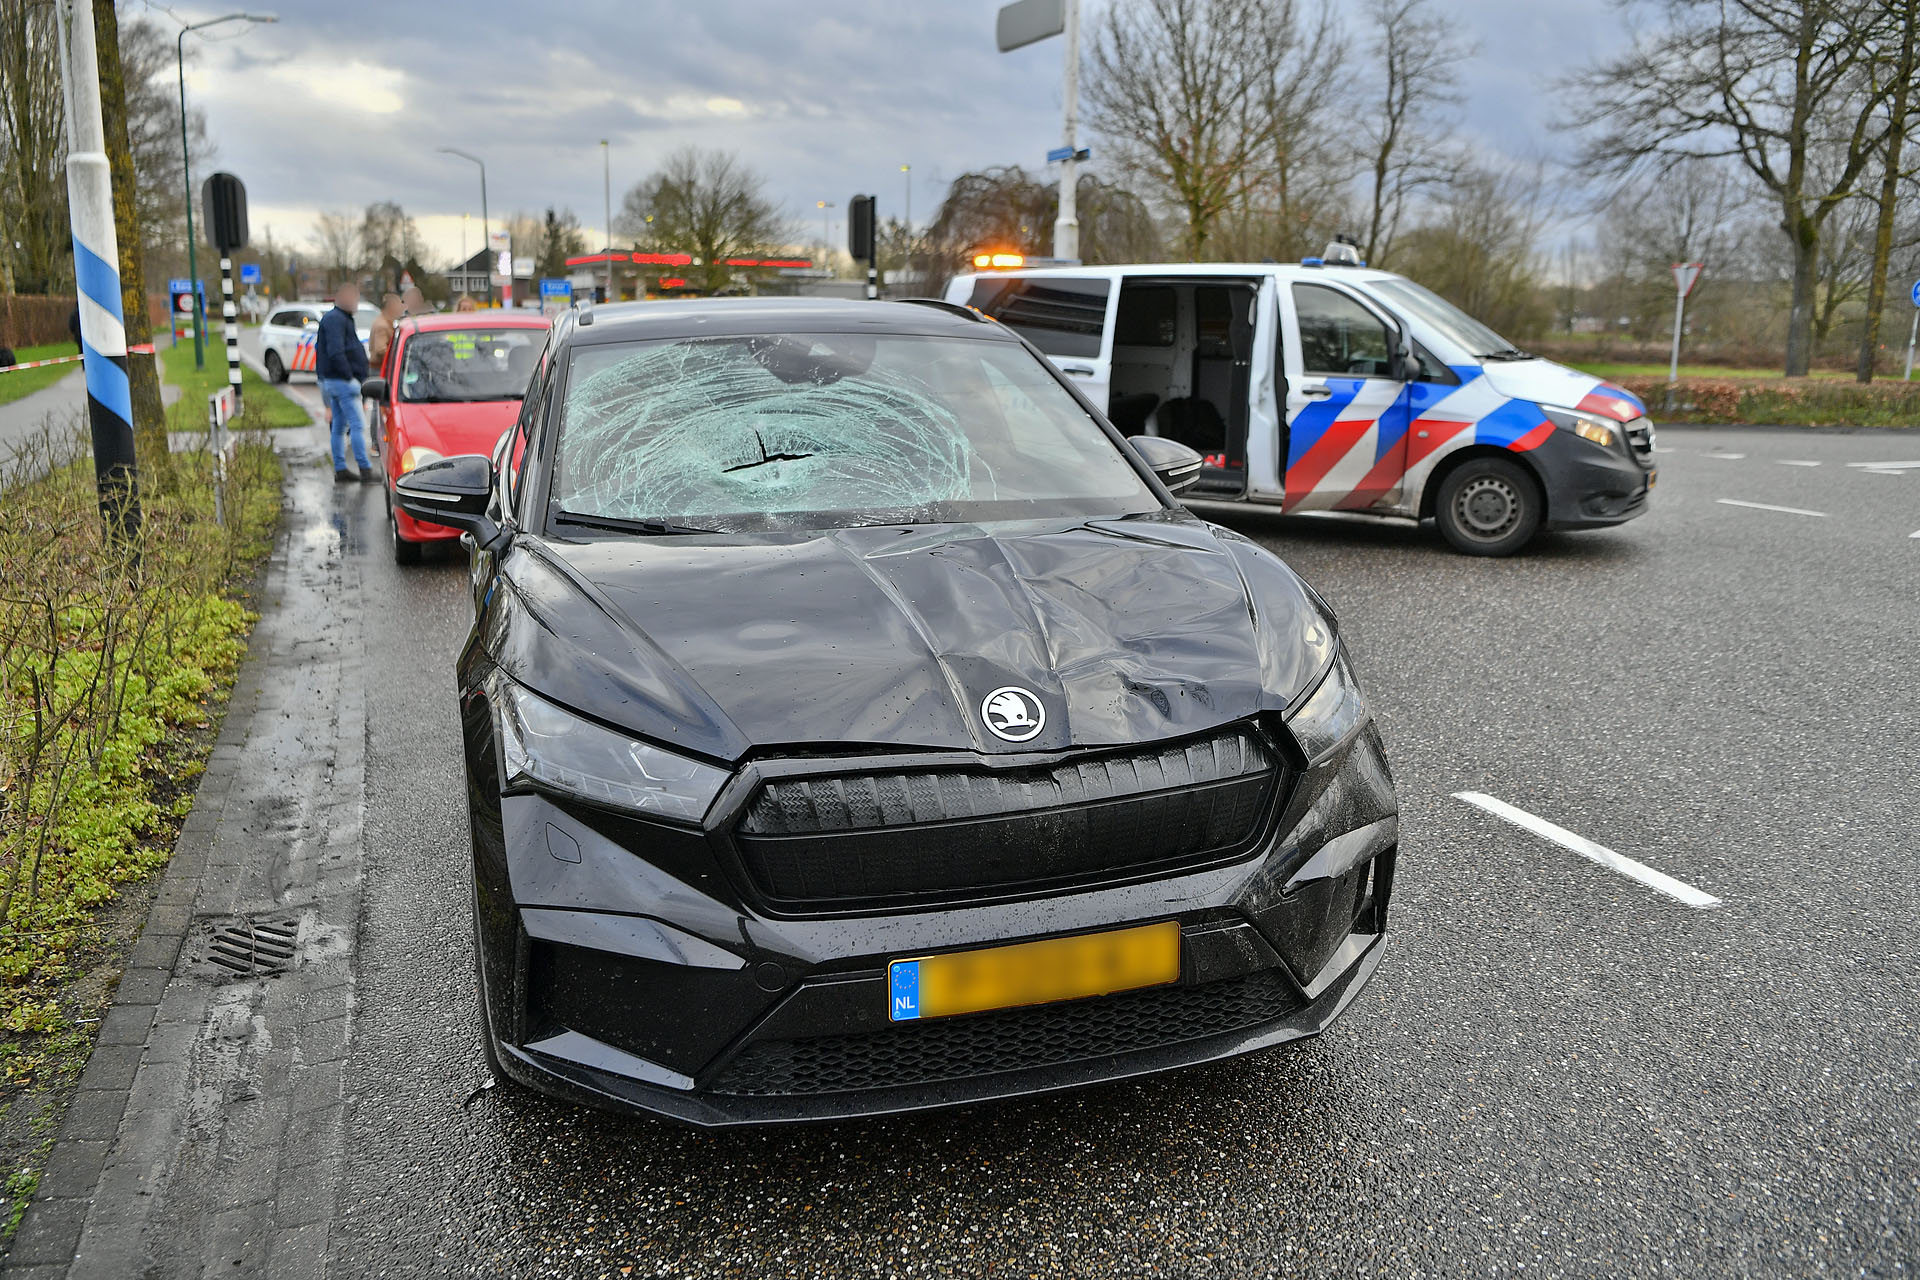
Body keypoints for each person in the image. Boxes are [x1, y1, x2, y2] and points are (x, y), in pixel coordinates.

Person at [316, 284, 374, 484]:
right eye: (354, 299)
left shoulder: (340, 318)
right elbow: (336, 351)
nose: (356, 303)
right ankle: (365, 470)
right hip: (342, 382)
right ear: (343, 298)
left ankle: (341, 470)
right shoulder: (336, 320)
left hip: (337, 381)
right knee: (358, 425)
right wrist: (350, 376)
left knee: (339, 427)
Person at [364, 292, 403, 458]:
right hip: (379, 369)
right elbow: (380, 349)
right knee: (378, 406)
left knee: (379, 406)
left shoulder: (385, 322)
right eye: (397, 305)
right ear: (389, 307)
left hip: (379, 368)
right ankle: (375, 443)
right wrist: (396, 353)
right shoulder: (382, 325)